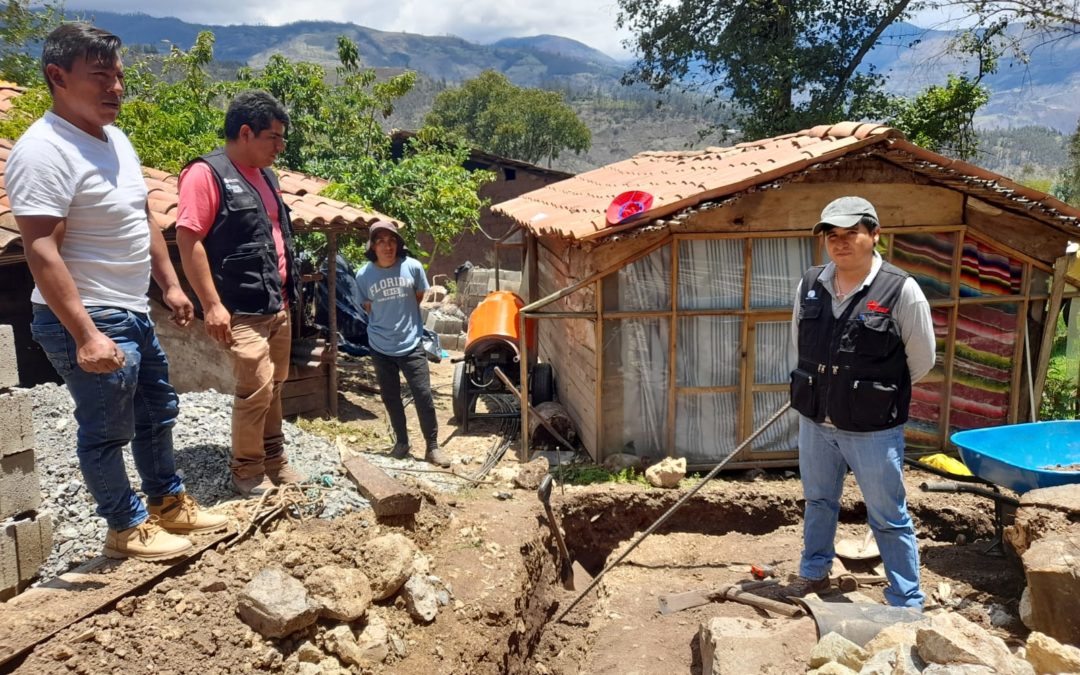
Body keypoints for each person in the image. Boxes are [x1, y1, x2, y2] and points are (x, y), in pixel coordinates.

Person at [8, 23, 228, 560]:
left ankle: (168, 503)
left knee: (158, 410)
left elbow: (143, 217)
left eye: (120, 76)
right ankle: (125, 527)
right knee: (108, 430)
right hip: (87, 316)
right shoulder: (43, 151)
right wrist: (84, 333)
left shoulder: (116, 140)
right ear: (56, 76)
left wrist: (170, 285)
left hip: (130, 309)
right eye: (100, 76)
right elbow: (40, 250)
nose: (116, 88)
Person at [786, 196, 936, 608]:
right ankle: (814, 571)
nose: (841, 243)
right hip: (817, 421)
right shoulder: (810, 284)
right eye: (832, 236)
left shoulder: (900, 289)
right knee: (818, 501)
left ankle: (906, 598)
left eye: (851, 233)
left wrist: (870, 393)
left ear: (874, 234)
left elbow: (920, 360)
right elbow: (800, 343)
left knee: (888, 514)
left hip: (873, 429)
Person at [175, 90, 305, 497]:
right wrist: (212, 305)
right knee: (257, 386)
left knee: (277, 384)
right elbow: (188, 239)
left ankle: (275, 458)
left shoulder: (267, 177)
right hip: (241, 309)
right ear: (246, 132)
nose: (280, 148)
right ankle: (247, 470)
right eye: (274, 138)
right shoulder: (206, 174)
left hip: (277, 303)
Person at [356, 221, 449, 467]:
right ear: (373, 246)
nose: (387, 246)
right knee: (390, 397)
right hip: (380, 346)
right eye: (381, 241)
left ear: (398, 244)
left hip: (411, 343)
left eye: (392, 241)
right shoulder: (363, 275)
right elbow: (367, 307)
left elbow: (418, 298)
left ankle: (432, 447)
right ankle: (402, 442)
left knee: (423, 395)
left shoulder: (413, 268)